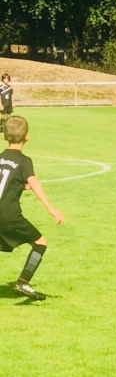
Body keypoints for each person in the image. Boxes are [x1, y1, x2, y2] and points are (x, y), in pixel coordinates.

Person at [0, 116, 64, 300]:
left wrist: (19, 185)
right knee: (40, 243)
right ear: (27, 137)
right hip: (9, 214)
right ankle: (23, 282)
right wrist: (50, 208)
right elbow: (33, 181)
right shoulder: (24, 161)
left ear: (4, 136)